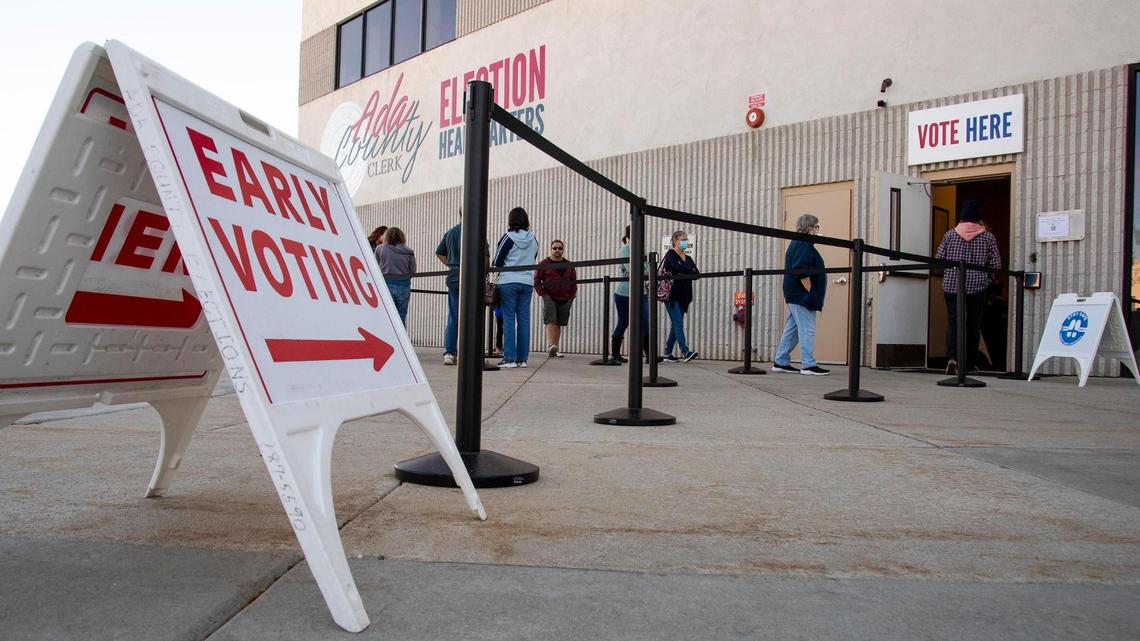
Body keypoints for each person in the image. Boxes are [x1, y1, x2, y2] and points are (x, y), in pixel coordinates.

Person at [935, 199, 1002, 374]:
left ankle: (952, 358)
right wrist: (987, 279)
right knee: (973, 325)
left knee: (954, 323)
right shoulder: (988, 237)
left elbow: (939, 259)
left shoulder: (950, 235)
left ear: (963, 217)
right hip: (977, 287)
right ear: (979, 217)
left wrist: (949, 273)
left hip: (952, 286)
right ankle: (969, 363)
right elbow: (995, 265)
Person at [772, 214, 829, 375]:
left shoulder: (798, 242)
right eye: (816, 227)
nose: (817, 230)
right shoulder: (804, 243)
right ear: (810, 228)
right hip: (801, 295)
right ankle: (808, 364)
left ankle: (781, 361)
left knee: (793, 329)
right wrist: (811, 292)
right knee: (807, 328)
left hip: (794, 293)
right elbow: (801, 269)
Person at [435, 209, 487, 366]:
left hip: (454, 278)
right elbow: (485, 258)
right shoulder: (477, 232)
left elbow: (439, 252)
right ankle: (470, 353)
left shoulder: (450, 233)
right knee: (472, 316)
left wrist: (451, 264)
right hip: (471, 279)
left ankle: (450, 353)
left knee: (453, 316)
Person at [493, 207, 539, 368]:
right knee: (524, 320)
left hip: (509, 282)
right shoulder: (533, 239)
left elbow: (497, 261)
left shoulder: (508, 237)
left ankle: (510, 358)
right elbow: (533, 258)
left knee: (509, 320)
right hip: (527, 282)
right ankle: (522, 359)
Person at [611, 225, 649, 364]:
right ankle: (615, 354)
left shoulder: (641, 250)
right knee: (623, 322)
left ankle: (649, 355)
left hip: (642, 291)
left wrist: (644, 269)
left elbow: (648, 269)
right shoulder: (625, 249)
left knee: (646, 321)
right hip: (624, 293)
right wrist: (644, 269)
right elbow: (634, 269)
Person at [660, 230, 700, 363]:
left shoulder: (688, 258)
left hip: (685, 296)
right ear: (675, 241)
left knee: (676, 324)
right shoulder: (671, 254)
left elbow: (696, 274)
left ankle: (667, 353)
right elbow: (675, 266)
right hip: (672, 295)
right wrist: (686, 271)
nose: (685, 242)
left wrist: (682, 271)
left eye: (686, 239)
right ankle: (685, 351)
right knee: (678, 322)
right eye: (683, 239)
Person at [534, 240, 577, 357]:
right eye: (555, 248)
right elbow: (537, 280)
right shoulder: (544, 263)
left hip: (565, 298)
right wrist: (543, 293)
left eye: (560, 248)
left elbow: (574, 281)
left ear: (563, 250)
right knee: (550, 320)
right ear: (551, 249)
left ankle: (555, 348)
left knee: (559, 323)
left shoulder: (569, 265)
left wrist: (572, 296)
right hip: (549, 296)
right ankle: (551, 345)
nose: (557, 250)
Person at [375, 227, 415, 325]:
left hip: (386, 285)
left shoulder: (380, 249)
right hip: (404, 286)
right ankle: (401, 339)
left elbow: (375, 266)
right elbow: (412, 271)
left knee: (387, 316)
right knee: (401, 317)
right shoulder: (409, 252)